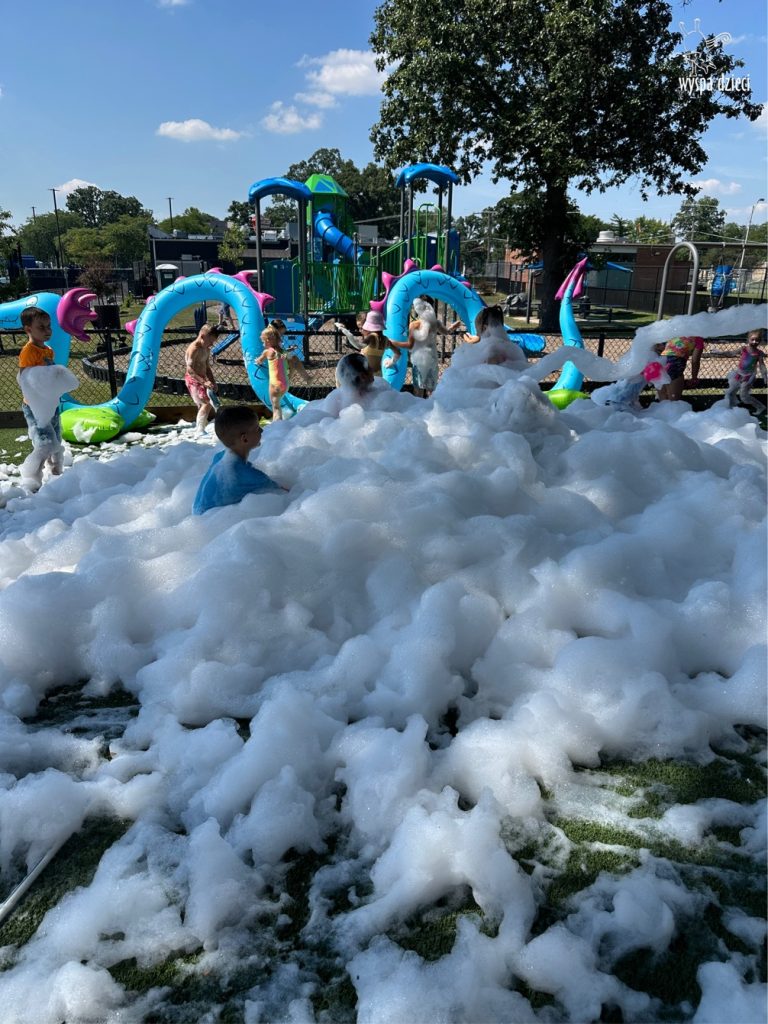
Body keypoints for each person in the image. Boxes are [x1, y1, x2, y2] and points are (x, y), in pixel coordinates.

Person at [192, 405, 284, 515]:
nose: (261, 430)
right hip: (212, 520)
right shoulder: (248, 474)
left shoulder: (219, 457)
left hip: (198, 514)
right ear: (244, 439)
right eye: (257, 428)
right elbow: (283, 492)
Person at [17, 308, 65, 490]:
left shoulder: (48, 350)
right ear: (28, 329)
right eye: (41, 327)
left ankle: (56, 473)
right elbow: (25, 379)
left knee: (56, 440)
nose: (47, 331)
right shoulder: (28, 352)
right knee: (44, 444)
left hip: (49, 404)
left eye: (49, 326)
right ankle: (33, 479)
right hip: (35, 406)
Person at [387, 296, 456, 398]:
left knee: (418, 390)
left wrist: (392, 342)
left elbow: (409, 345)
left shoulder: (414, 325)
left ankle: (419, 407)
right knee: (431, 390)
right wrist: (452, 328)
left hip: (419, 360)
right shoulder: (435, 323)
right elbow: (446, 332)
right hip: (432, 358)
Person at [255, 323, 300, 421]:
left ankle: (277, 426)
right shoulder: (283, 352)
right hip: (285, 384)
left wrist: (256, 361)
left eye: (263, 341)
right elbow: (289, 360)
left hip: (275, 385)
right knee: (279, 401)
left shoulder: (267, 352)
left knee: (276, 408)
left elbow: (259, 361)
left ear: (268, 341)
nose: (263, 344)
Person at [185, 323, 222, 434]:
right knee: (207, 402)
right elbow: (190, 369)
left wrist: (212, 381)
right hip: (193, 379)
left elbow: (207, 367)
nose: (212, 344)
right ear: (202, 336)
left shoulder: (206, 349)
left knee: (204, 403)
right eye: (210, 341)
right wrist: (203, 382)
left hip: (202, 378)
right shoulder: (194, 349)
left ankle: (201, 425)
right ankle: (200, 430)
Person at [725, 329, 767, 413]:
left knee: (744, 397)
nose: (754, 342)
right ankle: (731, 407)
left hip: (749, 376)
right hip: (738, 374)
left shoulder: (759, 353)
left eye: (757, 340)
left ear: (760, 341)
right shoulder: (743, 349)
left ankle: (760, 407)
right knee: (730, 392)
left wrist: (765, 375)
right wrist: (719, 352)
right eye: (752, 339)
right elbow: (731, 353)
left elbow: (762, 365)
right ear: (748, 339)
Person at [335, 310, 389, 375]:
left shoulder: (372, 338)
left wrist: (344, 330)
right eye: (359, 328)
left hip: (370, 375)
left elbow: (358, 345)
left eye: (361, 328)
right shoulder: (375, 338)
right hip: (371, 373)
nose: (360, 331)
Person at [659, 336, 705, 401]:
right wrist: (694, 378)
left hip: (660, 364)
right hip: (675, 365)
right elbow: (695, 361)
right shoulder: (698, 338)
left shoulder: (678, 332)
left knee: (663, 400)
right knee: (673, 401)